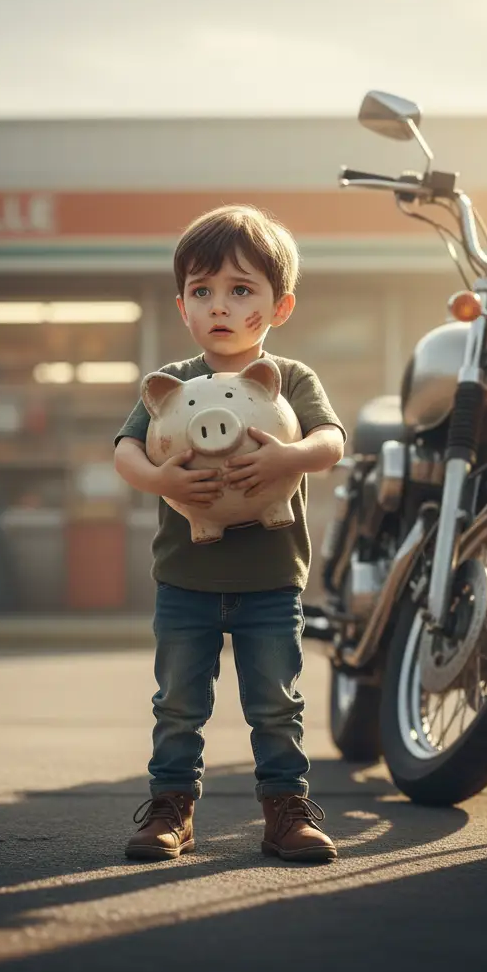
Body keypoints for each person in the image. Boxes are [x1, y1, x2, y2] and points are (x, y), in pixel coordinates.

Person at [113, 204, 346, 864]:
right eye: (203, 291)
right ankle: (171, 809)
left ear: (280, 306)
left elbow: (331, 441)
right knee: (178, 703)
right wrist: (167, 485)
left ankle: (285, 809)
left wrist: (287, 459)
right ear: (182, 305)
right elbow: (126, 454)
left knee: (276, 701)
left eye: (241, 290)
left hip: (271, 578)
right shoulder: (174, 383)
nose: (220, 305)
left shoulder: (290, 379)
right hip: (186, 576)